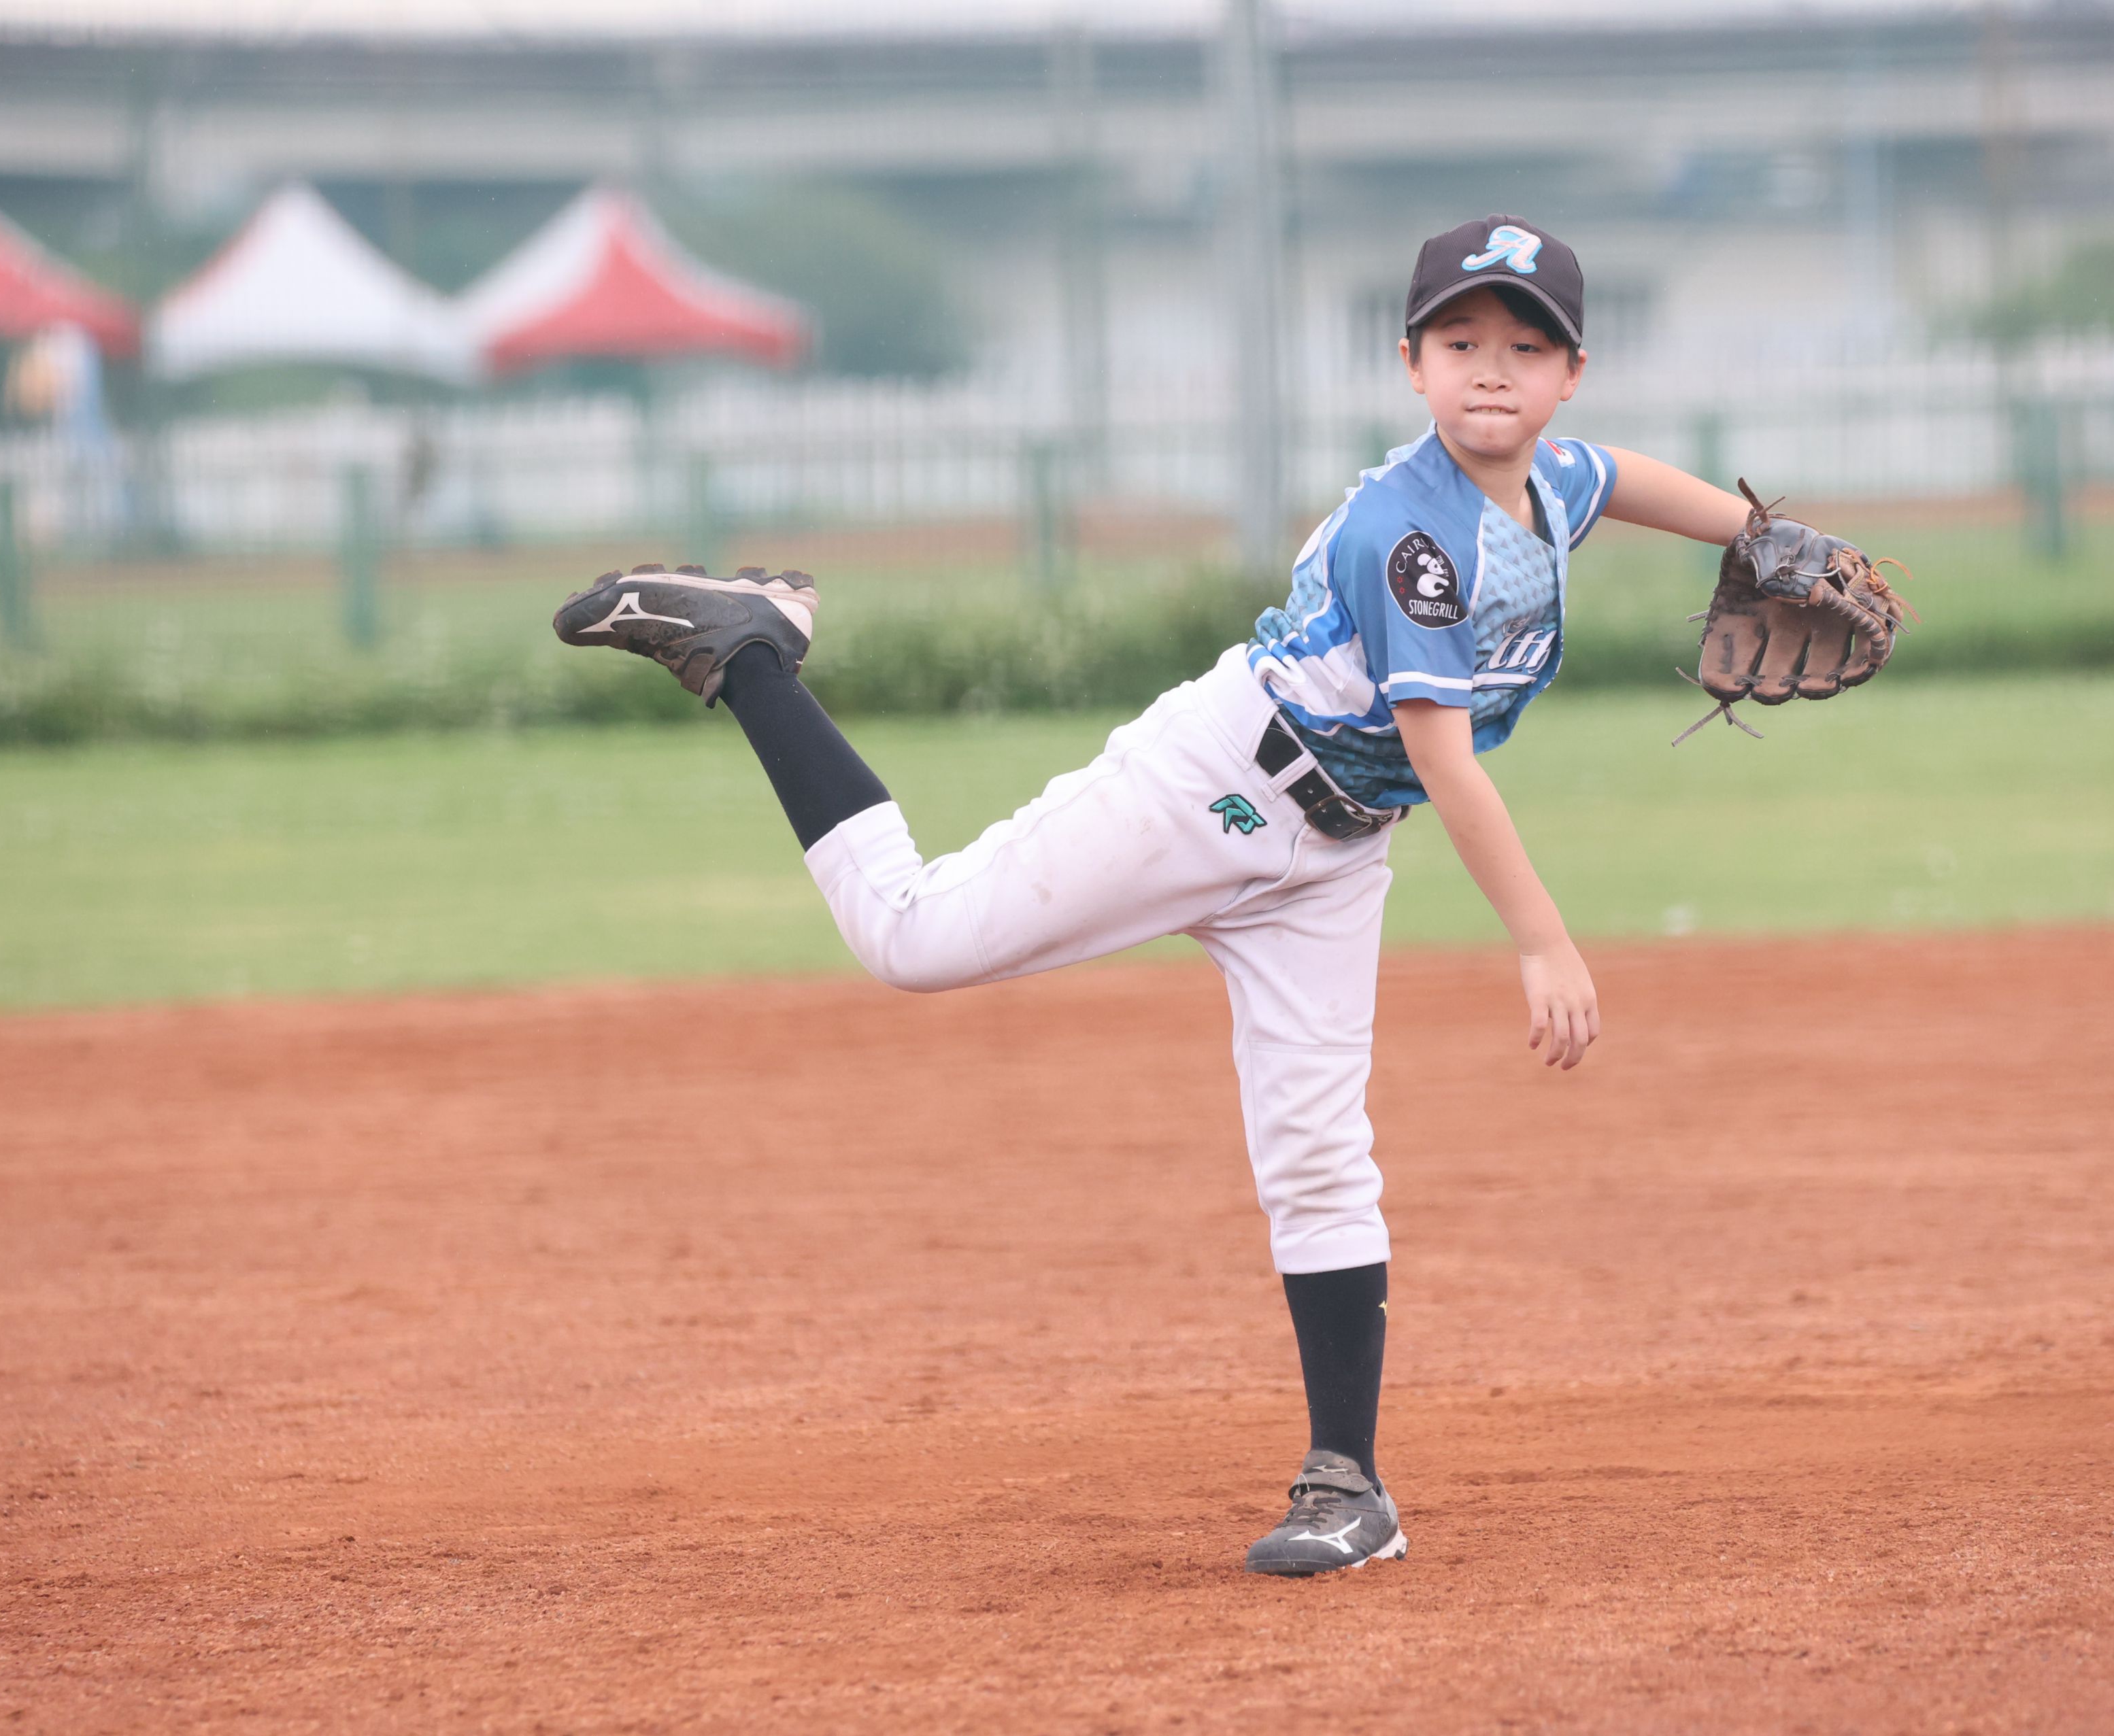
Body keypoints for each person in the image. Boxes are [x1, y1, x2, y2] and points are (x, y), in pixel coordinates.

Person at [552, 215, 1863, 1576]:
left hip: (1336, 856)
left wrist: (1761, 531)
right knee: (911, 937)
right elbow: (1445, 760)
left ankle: (1347, 1486)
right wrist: (1542, 940)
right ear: (1409, 361)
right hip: (1213, 787)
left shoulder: (1546, 480)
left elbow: (1612, 480)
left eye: (1527, 348)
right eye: (1461, 340)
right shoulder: (1408, 536)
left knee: (1319, 1152)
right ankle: (752, 651)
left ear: (1570, 374)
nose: (1492, 370)